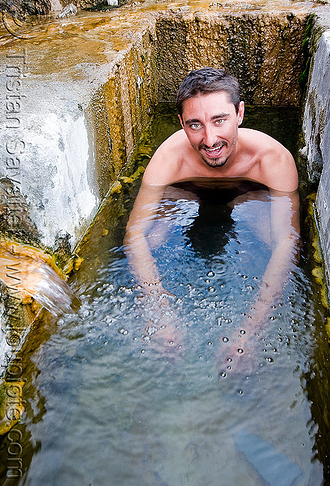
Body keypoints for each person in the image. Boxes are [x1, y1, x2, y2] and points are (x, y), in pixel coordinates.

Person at [124, 67, 300, 370]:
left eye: (220, 120)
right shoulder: (169, 158)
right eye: (195, 124)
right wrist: (157, 310)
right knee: (151, 239)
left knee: (272, 241)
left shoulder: (272, 159)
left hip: (250, 192)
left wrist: (251, 332)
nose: (210, 138)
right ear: (180, 123)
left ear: (239, 113)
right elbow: (134, 233)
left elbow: (288, 242)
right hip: (186, 192)